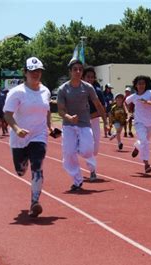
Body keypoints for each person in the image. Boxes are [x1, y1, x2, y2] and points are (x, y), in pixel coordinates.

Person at [3, 56, 53, 218]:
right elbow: (8, 114)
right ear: (25, 72)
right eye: (32, 71)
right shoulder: (16, 92)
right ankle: (21, 165)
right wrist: (16, 129)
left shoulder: (46, 91)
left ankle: (34, 202)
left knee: (37, 165)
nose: (35, 74)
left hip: (39, 135)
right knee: (20, 170)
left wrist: (49, 127)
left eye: (38, 71)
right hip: (19, 138)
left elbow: (47, 111)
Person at [57, 59, 107, 191]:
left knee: (87, 150)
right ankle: (77, 180)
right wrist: (69, 117)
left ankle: (78, 146)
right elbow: (60, 110)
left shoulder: (88, 87)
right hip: (68, 125)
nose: (78, 71)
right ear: (70, 71)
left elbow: (98, 104)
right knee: (68, 153)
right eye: (75, 69)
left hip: (84, 124)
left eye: (80, 69)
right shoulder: (63, 89)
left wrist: (106, 121)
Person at [125, 75, 151, 174]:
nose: (141, 85)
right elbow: (125, 102)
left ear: (146, 84)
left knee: (144, 142)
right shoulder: (134, 96)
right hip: (138, 123)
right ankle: (146, 163)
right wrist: (128, 112)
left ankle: (137, 146)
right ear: (135, 85)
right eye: (139, 84)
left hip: (150, 123)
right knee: (145, 141)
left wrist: (147, 102)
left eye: (143, 83)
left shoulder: (150, 93)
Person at [82, 66, 107, 182]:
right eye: (88, 77)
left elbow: (102, 108)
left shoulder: (97, 91)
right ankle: (92, 171)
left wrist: (106, 122)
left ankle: (81, 149)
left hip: (94, 121)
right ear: (83, 77)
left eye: (92, 77)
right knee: (89, 145)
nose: (90, 79)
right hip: (81, 123)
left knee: (95, 148)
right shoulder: (78, 89)